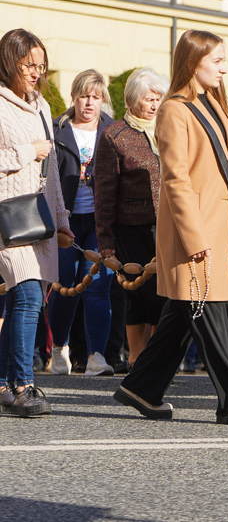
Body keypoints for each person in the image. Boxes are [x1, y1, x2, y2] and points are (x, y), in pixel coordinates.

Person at [112, 29, 228, 426]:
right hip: (193, 231)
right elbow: (176, 180)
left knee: (186, 312)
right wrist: (196, 238)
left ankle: (141, 388)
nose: (224, 68)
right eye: (217, 60)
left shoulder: (213, 105)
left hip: (215, 228)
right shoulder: (174, 110)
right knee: (211, 311)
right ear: (192, 62)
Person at [0, 28, 73, 416]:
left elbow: (53, 174)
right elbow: (29, 156)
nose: (35, 72)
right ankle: (24, 385)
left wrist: (61, 220)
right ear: (11, 61)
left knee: (19, 300)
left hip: (38, 218)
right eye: (29, 65)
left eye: (41, 66)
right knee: (27, 296)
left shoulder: (43, 107)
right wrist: (27, 150)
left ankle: (2, 383)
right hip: (7, 217)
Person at [94, 68, 169, 367]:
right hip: (131, 227)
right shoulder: (114, 135)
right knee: (139, 293)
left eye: (158, 99)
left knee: (163, 295)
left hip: (167, 225)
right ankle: (138, 357)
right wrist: (106, 239)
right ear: (132, 99)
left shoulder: (168, 129)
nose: (154, 105)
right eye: (149, 99)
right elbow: (104, 191)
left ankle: (156, 358)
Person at [48, 70, 116, 377]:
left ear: (103, 100)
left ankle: (95, 356)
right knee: (65, 285)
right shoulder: (58, 130)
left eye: (96, 97)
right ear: (74, 97)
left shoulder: (113, 132)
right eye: (84, 96)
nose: (89, 103)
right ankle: (59, 348)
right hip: (65, 221)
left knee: (98, 288)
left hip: (100, 223)